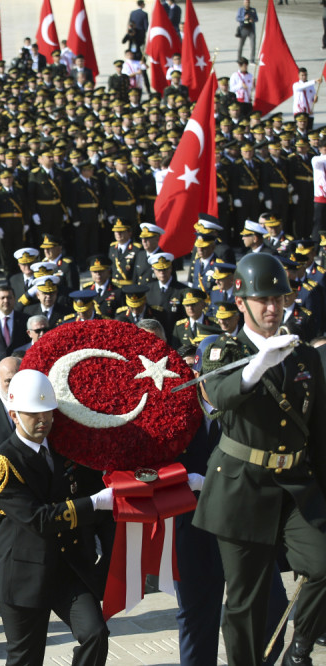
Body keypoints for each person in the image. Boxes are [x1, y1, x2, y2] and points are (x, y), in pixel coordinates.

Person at [194, 253, 326, 666]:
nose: (272, 308)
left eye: (279, 299)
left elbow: (318, 430)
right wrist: (258, 364)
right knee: (246, 603)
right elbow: (221, 396)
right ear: (241, 303)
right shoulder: (222, 349)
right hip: (241, 488)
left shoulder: (303, 354)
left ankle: (299, 651)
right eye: (262, 299)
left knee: (322, 565)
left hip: (296, 486)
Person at [0, 369, 118, 666]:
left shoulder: (62, 449)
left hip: (65, 568)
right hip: (23, 576)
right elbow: (39, 519)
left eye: (48, 413)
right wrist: (92, 504)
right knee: (26, 660)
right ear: (14, 414)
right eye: (33, 414)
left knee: (95, 633)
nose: (43, 421)